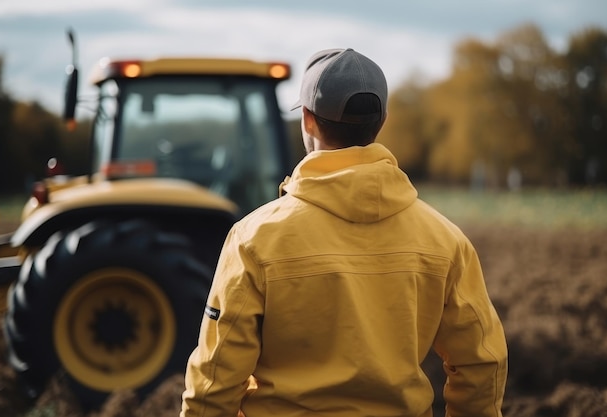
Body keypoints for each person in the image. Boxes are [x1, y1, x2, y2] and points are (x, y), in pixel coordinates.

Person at [180, 48, 507, 417]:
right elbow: (483, 362)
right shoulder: (445, 240)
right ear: (381, 121)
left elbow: (215, 378)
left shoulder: (253, 239)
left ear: (307, 120)